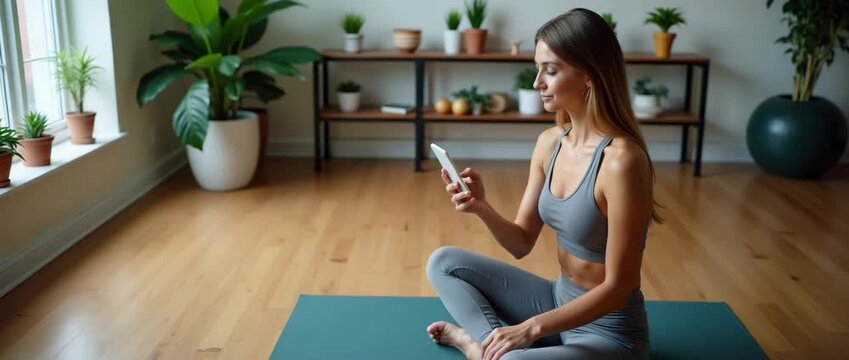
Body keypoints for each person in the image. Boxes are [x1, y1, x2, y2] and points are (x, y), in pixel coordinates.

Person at [425, 8, 664, 360]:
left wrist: (532, 328)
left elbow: (620, 287)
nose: (537, 81)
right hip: (557, 300)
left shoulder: (622, 161)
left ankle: (479, 349)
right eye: (538, 68)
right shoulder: (549, 142)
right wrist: (482, 208)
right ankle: (495, 350)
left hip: (610, 335)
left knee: (515, 358)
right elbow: (521, 242)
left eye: (550, 71)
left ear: (588, 75)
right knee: (443, 262)